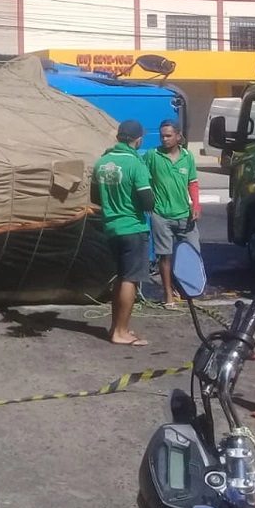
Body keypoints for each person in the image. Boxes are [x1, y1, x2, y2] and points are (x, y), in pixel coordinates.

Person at [91, 119, 156, 347]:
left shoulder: (102, 162)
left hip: (111, 228)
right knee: (131, 279)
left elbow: (95, 198)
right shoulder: (135, 164)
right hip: (133, 228)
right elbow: (148, 201)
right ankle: (121, 331)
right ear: (137, 140)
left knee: (120, 278)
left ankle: (117, 326)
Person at [144, 118, 201, 308]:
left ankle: (187, 289)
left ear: (178, 136)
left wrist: (196, 205)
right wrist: (147, 202)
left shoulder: (188, 157)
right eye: (162, 136)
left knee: (192, 252)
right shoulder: (153, 156)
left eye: (168, 136)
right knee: (165, 255)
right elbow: (142, 179)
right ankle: (168, 294)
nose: (164, 139)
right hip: (161, 215)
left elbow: (192, 182)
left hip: (184, 214)